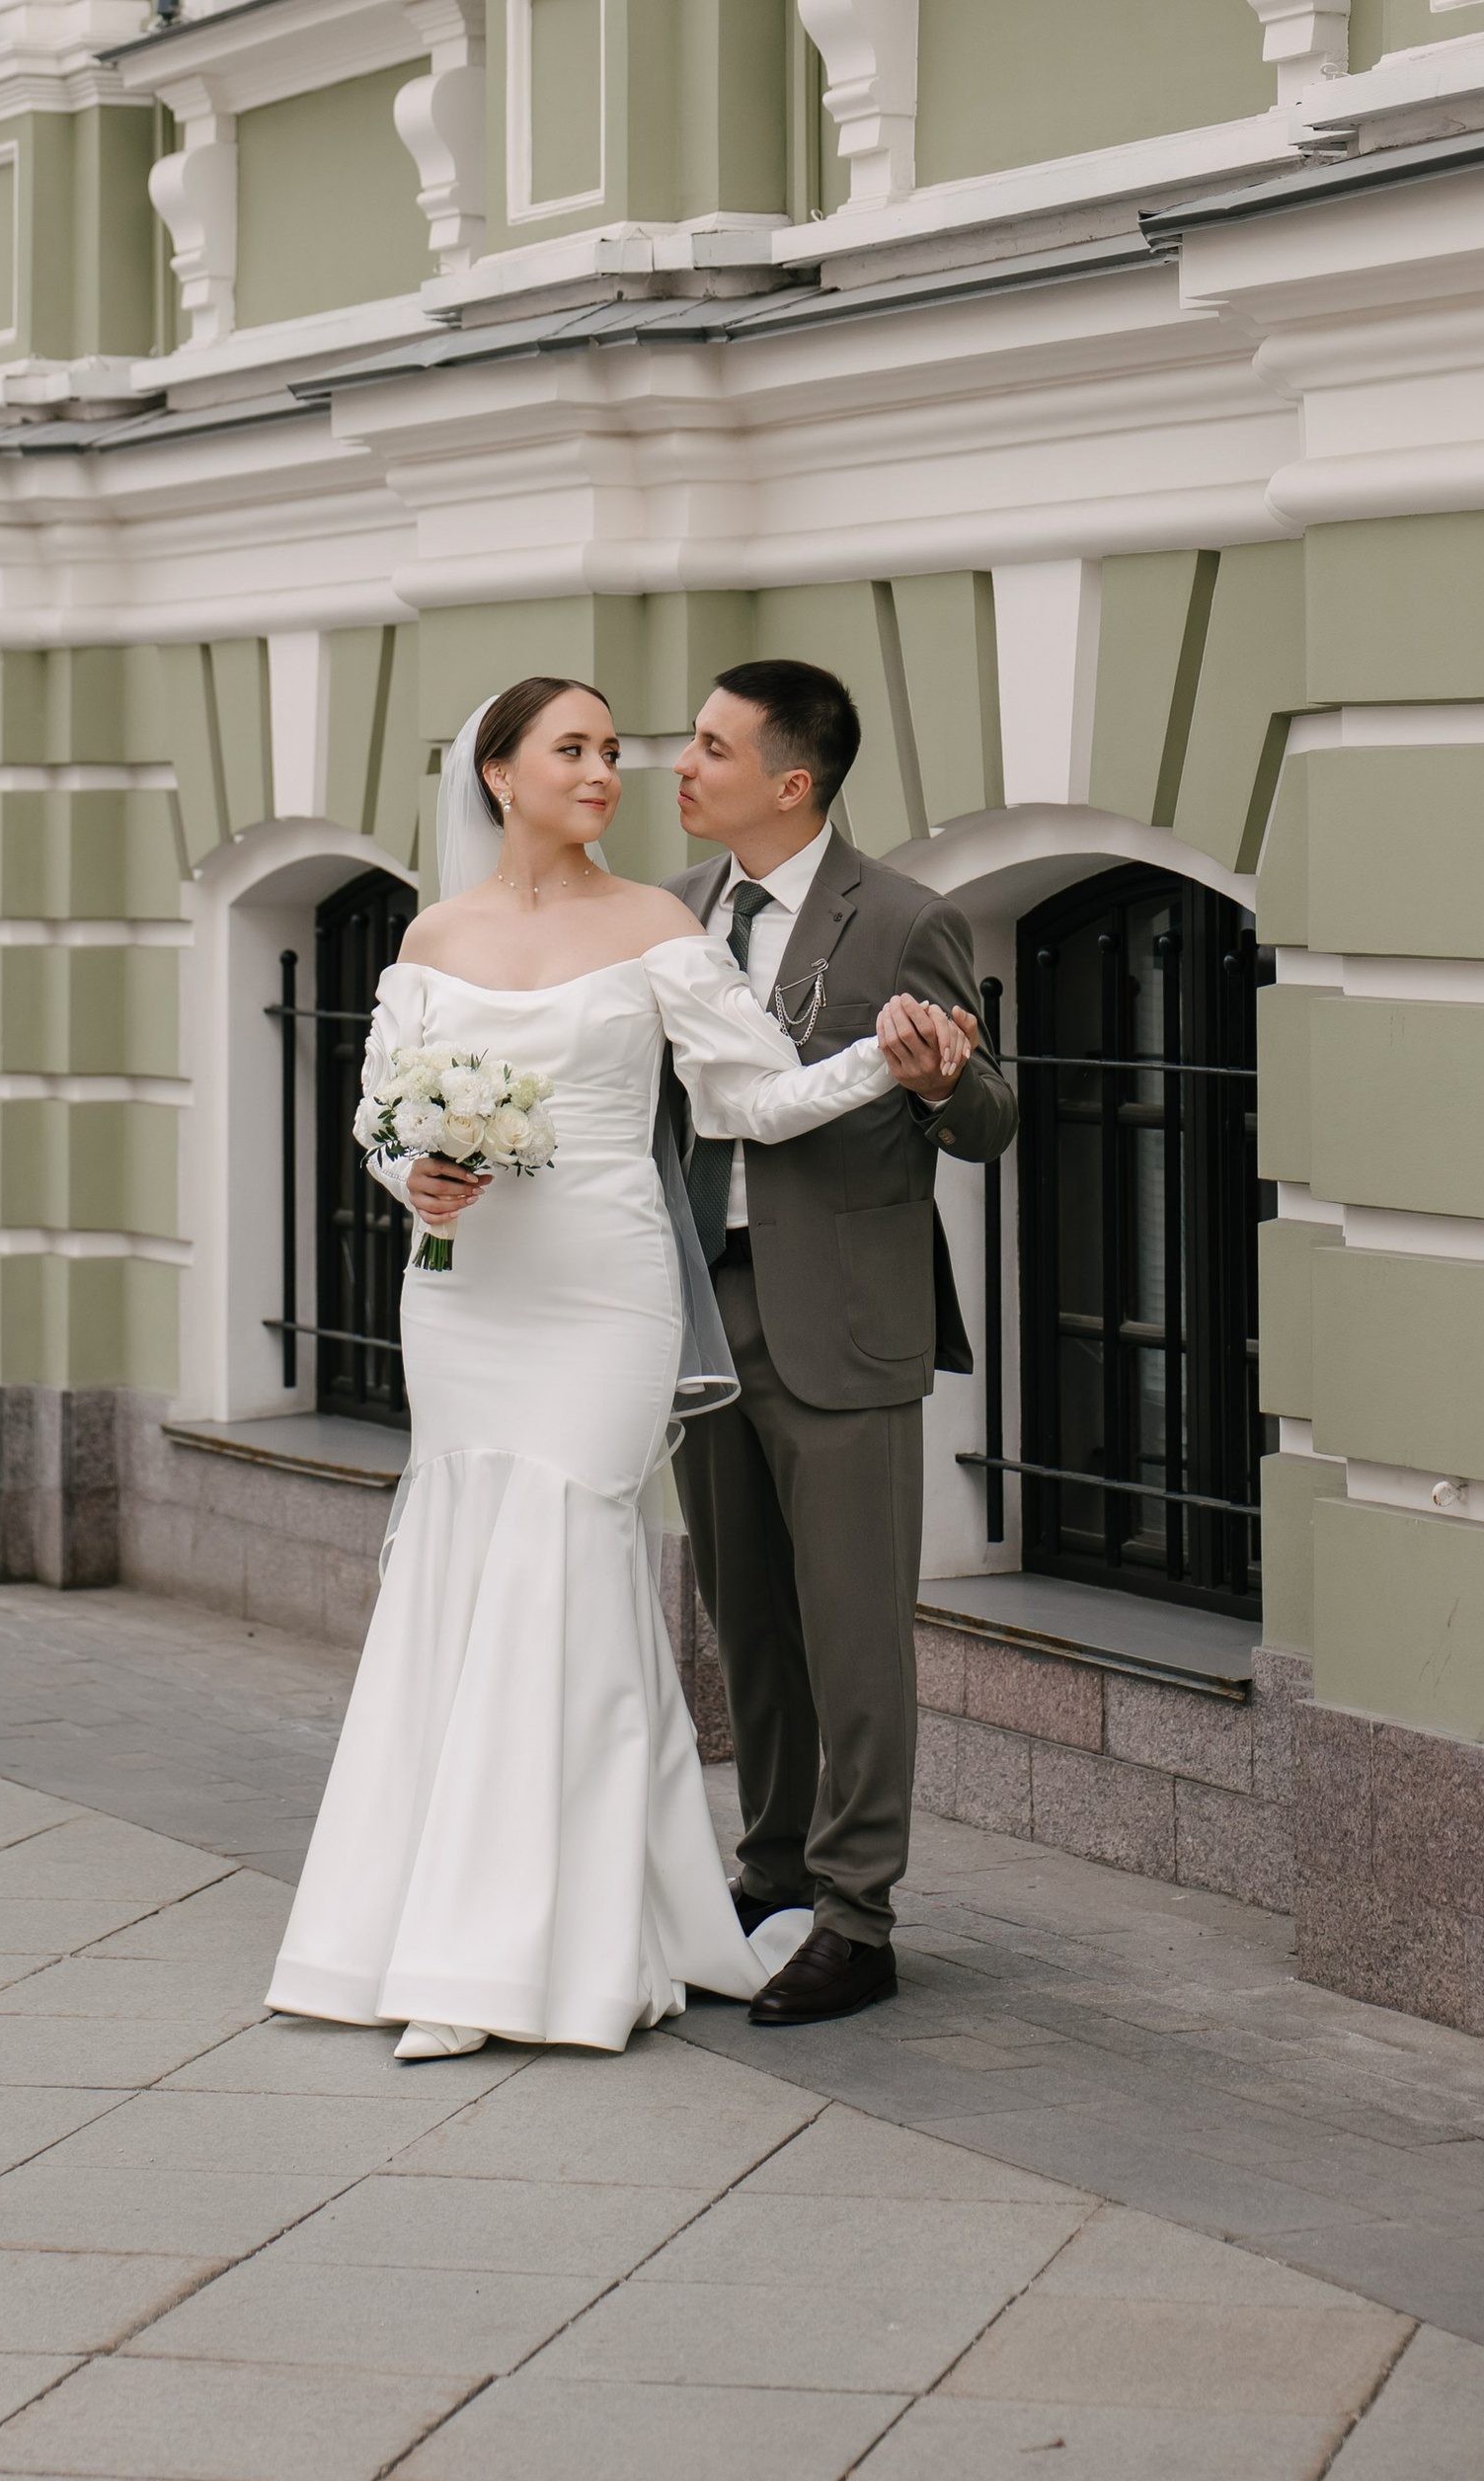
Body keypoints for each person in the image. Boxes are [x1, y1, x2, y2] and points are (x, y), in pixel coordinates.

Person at [264, 675, 970, 2062]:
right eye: (574, 750)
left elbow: (751, 1096)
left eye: (616, 751)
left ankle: (564, 1940)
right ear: (499, 775)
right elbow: (377, 1114)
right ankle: (439, 1923)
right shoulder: (433, 934)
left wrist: (887, 1068)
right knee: (464, 1572)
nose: (610, 772)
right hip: (467, 1298)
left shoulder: (656, 924)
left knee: (572, 1566)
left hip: (608, 1294)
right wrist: (415, 1176)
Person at [667, 660, 1016, 2026]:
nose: (683, 765)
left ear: (792, 781)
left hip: (848, 1322)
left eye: (713, 747)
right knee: (745, 1619)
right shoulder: (675, 911)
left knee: (854, 1631)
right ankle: (769, 1876)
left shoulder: (907, 918)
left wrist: (939, 1084)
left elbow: (991, 1115)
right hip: (708, 1310)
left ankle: (857, 1916)